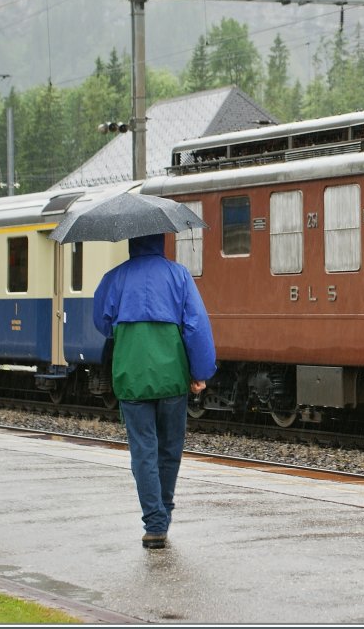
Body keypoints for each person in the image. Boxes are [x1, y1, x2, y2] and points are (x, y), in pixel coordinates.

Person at [92, 233, 217, 550]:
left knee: (143, 451)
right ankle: (163, 516)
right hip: (172, 377)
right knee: (169, 450)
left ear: (132, 241)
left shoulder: (115, 277)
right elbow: (196, 324)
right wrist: (200, 371)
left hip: (131, 377)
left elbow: (101, 323)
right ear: (161, 240)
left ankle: (155, 524)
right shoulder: (179, 275)